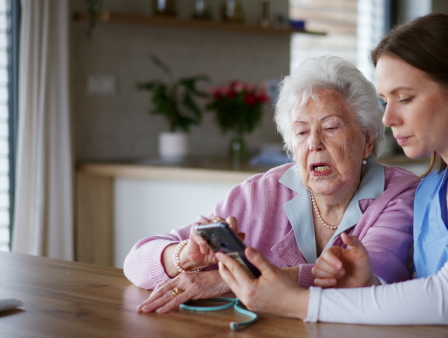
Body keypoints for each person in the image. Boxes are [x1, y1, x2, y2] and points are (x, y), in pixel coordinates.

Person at [215, 14, 448, 337]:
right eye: (385, 101)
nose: (387, 118)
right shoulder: (431, 190)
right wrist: (367, 285)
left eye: (405, 98)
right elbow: (426, 299)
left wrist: (293, 300)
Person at [124, 56, 420, 313]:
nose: (314, 143)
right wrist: (184, 256)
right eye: (301, 133)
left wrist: (236, 279)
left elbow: (370, 283)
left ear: (367, 140)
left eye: (330, 127)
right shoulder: (259, 194)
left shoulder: (399, 195)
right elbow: (136, 262)